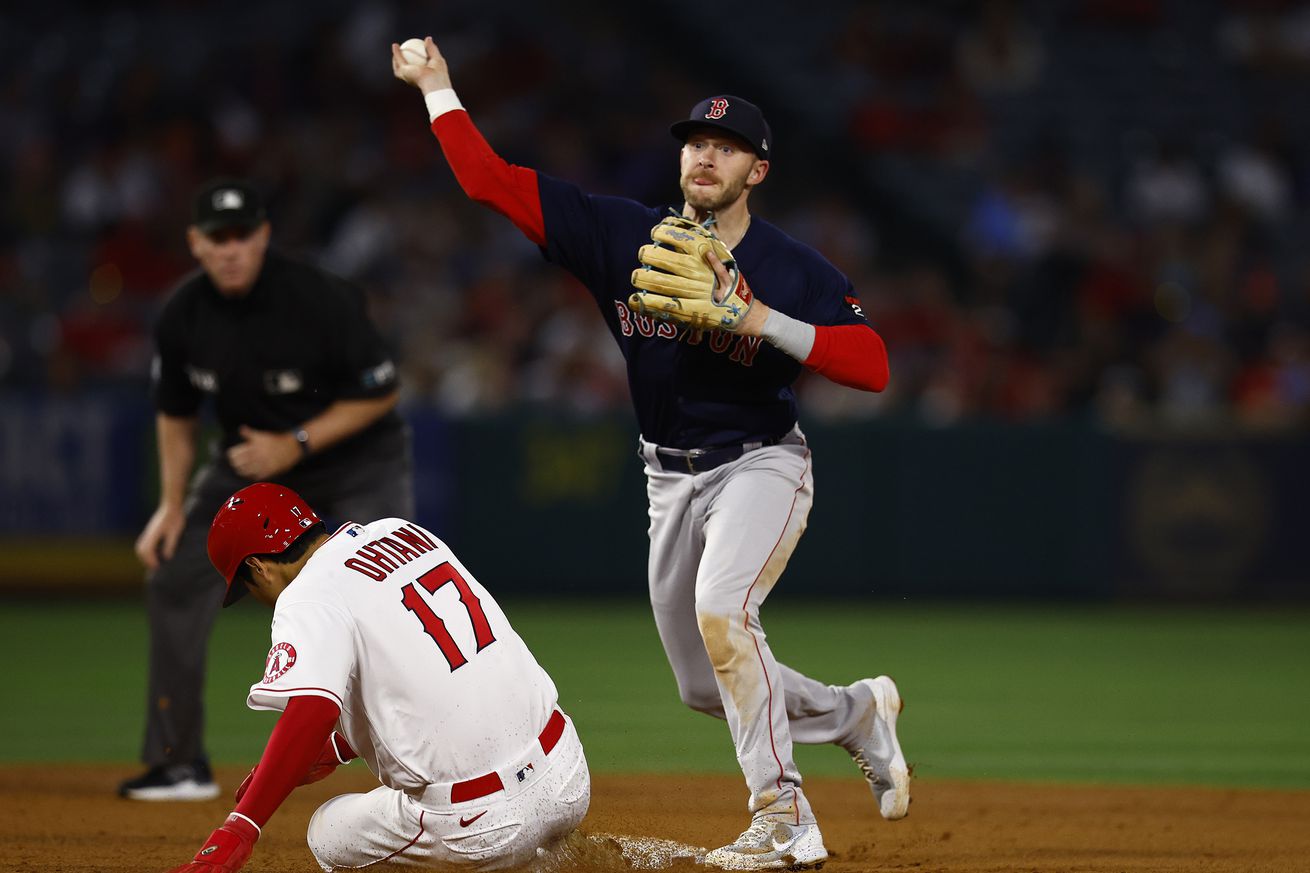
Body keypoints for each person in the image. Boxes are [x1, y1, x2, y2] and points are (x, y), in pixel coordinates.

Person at [392, 38, 909, 871]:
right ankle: (853, 714)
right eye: (695, 142)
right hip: (665, 473)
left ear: (758, 171)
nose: (705, 154)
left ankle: (784, 815)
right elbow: (490, 181)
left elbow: (875, 364)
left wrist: (758, 320)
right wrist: (438, 87)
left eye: (726, 146)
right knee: (704, 683)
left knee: (723, 613)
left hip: (762, 461)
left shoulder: (788, 266)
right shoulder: (622, 234)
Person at [119, 178, 414, 802]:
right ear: (196, 244)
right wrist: (171, 506)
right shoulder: (183, 315)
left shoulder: (317, 297)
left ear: (263, 236)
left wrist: (297, 443)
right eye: (216, 238)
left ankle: (415, 757)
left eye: (242, 235)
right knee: (175, 570)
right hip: (254, 462)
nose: (231, 249)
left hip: (352, 458)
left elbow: (381, 389)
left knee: (389, 594)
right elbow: (175, 413)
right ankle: (178, 762)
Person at [163, 483, 589, 873]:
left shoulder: (306, 596)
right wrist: (334, 746)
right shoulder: (400, 531)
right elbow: (437, 673)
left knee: (328, 834)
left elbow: (311, 708)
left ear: (258, 568)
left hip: (483, 828)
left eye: (247, 589)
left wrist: (241, 828)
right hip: (568, 776)